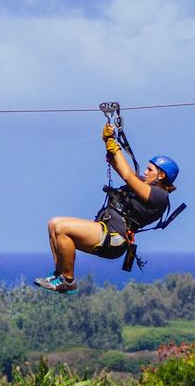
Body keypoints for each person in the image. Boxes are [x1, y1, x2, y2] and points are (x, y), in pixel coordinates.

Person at [36, 122, 179, 293]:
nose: (146, 172)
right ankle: (59, 275)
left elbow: (127, 176)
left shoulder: (159, 196)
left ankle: (68, 281)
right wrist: (108, 141)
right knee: (53, 223)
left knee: (62, 229)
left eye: (150, 169)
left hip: (114, 237)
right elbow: (120, 167)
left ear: (161, 175)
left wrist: (114, 146)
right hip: (106, 227)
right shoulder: (145, 185)